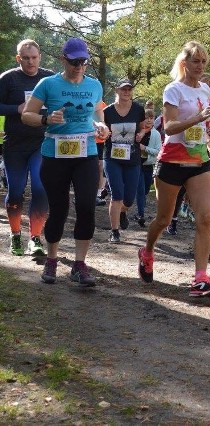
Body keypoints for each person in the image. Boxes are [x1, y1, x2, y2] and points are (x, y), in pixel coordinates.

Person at [137, 41, 210, 298]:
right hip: (172, 162)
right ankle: (147, 251)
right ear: (184, 63)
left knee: (205, 218)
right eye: (196, 61)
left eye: (204, 61)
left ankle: (200, 278)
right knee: (163, 219)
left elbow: (205, 125)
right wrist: (198, 118)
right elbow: (170, 127)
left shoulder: (205, 89)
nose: (200, 66)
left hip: (198, 162)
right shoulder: (173, 90)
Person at [22, 37, 109, 285]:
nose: (79, 66)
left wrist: (101, 126)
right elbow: (27, 115)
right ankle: (51, 260)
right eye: (74, 62)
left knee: (86, 208)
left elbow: (97, 114)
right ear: (64, 59)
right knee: (59, 210)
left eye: (83, 61)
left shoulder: (94, 85)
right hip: (55, 155)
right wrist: (46, 119)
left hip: (86, 154)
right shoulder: (47, 84)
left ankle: (80, 265)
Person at [0, 39, 54, 256]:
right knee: (15, 192)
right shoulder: (8, 78)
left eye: (34, 57)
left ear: (40, 57)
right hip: (15, 145)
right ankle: (15, 235)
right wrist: (16, 108)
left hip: (41, 143)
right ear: (18, 58)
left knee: (41, 189)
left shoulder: (49, 78)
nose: (30, 62)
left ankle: (35, 238)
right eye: (26, 58)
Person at [103, 79, 145, 243]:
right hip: (112, 158)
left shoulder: (138, 110)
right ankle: (114, 231)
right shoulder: (107, 111)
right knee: (117, 194)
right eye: (123, 89)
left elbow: (142, 128)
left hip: (132, 157)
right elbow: (101, 129)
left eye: (129, 89)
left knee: (129, 198)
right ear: (117, 90)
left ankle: (122, 211)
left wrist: (141, 135)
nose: (126, 92)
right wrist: (103, 133)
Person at [133, 108, 162, 227]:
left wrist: (145, 148)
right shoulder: (136, 131)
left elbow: (158, 151)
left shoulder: (156, 134)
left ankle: (140, 211)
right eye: (146, 118)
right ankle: (141, 215)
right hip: (136, 164)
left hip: (148, 165)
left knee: (144, 190)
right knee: (140, 190)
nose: (149, 120)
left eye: (151, 118)